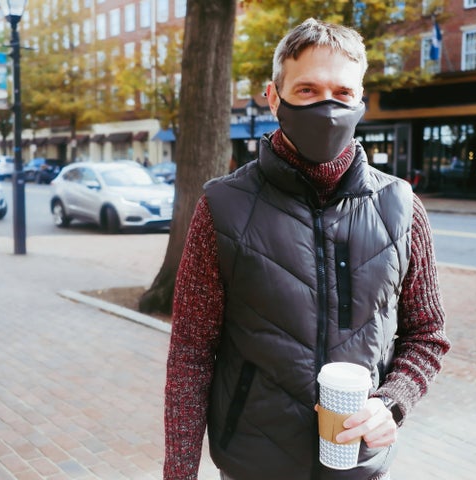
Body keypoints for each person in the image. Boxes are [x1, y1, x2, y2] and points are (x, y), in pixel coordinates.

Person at [164, 18, 450, 480]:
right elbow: (191, 354)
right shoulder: (222, 206)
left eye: (341, 93)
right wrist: (179, 473)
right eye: (307, 91)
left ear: (360, 99)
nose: (327, 107)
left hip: (360, 465)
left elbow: (428, 332)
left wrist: (394, 401)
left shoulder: (401, 206)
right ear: (274, 97)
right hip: (253, 465)